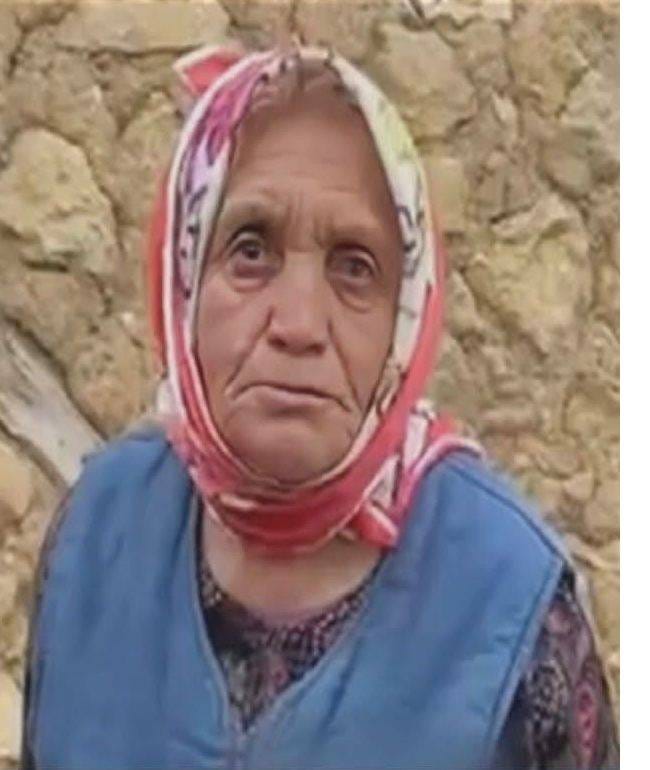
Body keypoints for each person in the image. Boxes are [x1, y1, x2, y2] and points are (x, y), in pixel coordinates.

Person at [21, 45, 618, 770]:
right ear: (184, 285)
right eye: (250, 250)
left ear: (405, 319)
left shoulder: (517, 606)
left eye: (354, 267)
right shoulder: (95, 536)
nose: (298, 324)